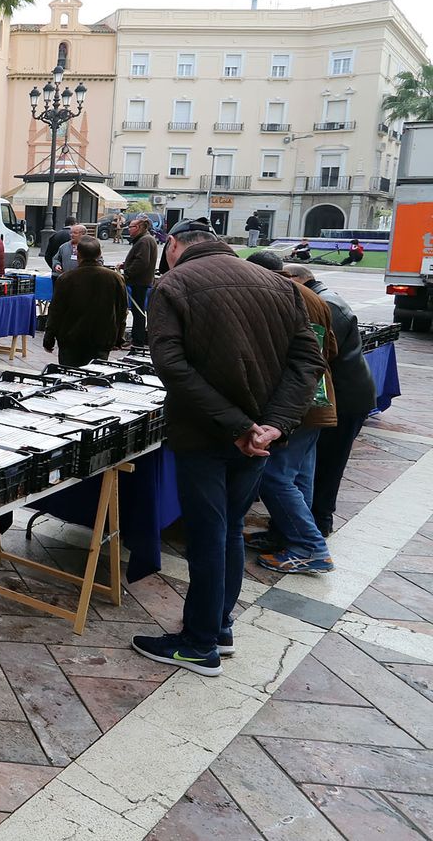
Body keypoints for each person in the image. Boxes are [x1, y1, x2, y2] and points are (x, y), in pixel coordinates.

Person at [132, 222, 325, 677]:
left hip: (207, 433)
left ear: (173, 246)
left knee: (208, 533)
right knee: (230, 528)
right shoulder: (281, 284)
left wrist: (244, 426)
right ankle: (219, 626)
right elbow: (308, 362)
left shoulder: (173, 283)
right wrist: (271, 425)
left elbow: (170, 365)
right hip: (256, 436)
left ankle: (199, 643)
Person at [243, 252, 338, 575]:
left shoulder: (281, 297)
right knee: (299, 476)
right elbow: (330, 350)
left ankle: (310, 547)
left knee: (275, 476)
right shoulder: (311, 296)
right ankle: (286, 534)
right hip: (316, 400)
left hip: (295, 403)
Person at [284, 265, 377, 537]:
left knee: (327, 465)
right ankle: (309, 525)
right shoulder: (325, 299)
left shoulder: (323, 304)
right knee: (315, 465)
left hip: (345, 397)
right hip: (344, 393)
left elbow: (316, 355)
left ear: (298, 280)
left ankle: (317, 524)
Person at [42, 237, 127, 367]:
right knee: (95, 375)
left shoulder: (66, 278)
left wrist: (49, 338)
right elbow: (122, 311)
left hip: (71, 339)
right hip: (101, 339)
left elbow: (56, 311)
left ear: (78, 255)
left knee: (69, 376)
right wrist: (119, 338)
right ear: (99, 254)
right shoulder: (115, 278)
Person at [121, 215, 158, 346]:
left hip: (139, 283)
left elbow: (142, 262)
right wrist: (125, 265)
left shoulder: (144, 241)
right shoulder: (144, 239)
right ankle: (137, 340)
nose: (129, 229)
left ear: (138, 227)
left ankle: (138, 342)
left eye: (130, 227)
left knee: (138, 313)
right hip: (141, 282)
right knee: (138, 312)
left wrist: (127, 274)